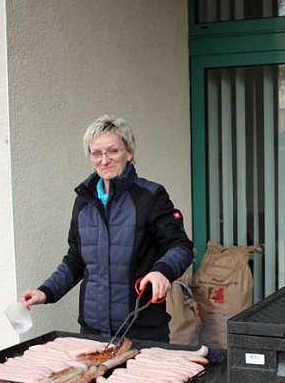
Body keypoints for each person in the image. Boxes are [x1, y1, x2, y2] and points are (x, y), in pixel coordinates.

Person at [19, 115, 193, 343]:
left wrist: (162, 271)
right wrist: (46, 292)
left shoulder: (151, 197)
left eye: (113, 151)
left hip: (142, 332)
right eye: (96, 153)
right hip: (92, 334)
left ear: (128, 152)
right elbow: (75, 260)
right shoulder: (84, 201)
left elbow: (181, 247)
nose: (104, 160)